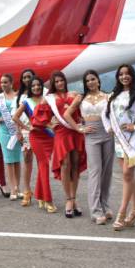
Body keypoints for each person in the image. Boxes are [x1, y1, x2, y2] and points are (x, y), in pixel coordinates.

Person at [103, 65, 135, 231]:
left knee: (127, 174)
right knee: (129, 176)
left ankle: (122, 213)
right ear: (118, 77)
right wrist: (108, 128)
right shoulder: (112, 95)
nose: (124, 77)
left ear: (132, 76)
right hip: (119, 140)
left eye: (127, 74)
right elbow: (104, 115)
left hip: (133, 140)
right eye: (121, 74)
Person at [64, 70, 114, 225]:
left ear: (98, 81)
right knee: (95, 171)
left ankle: (105, 206)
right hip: (91, 135)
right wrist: (79, 128)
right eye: (87, 81)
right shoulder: (81, 97)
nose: (90, 82)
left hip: (107, 134)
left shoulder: (108, 96)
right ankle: (96, 210)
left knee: (106, 172)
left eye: (93, 79)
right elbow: (67, 114)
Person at [44, 71, 86, 218]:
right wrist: (50, 125)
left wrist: (82, 121)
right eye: (57, 82)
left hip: (75, 132)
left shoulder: (73, 94)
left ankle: (74, 199)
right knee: (65, 164)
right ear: (53, 84)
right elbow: (39, 116)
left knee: (75, 164)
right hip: (62, 133)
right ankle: (68, 199)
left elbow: (81, 113)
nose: (60, 83)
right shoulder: (49, 98)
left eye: (61, 80)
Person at [13, 76, 56, 212]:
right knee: (44, 165)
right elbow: (15, 117)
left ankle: (40, 196)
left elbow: (55, 115)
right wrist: (26, 128)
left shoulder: (47, 100)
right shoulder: (26, 102)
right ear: (30, 88)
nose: (36, 88)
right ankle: (48, 200)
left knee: (43, 166)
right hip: (36, 137)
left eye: (38, 85)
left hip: (49, 136)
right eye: (33, 86)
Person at [16, 69, 36, 201]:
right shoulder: (20, 95)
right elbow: (15, 114)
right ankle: (27, 190)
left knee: (42, 161)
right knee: (27, 159)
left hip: (39, 130)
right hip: (25, 129)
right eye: (24, 77)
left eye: (29, 77)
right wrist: (19, 131)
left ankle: (42, 191)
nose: (27, 79)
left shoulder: (42, 92)